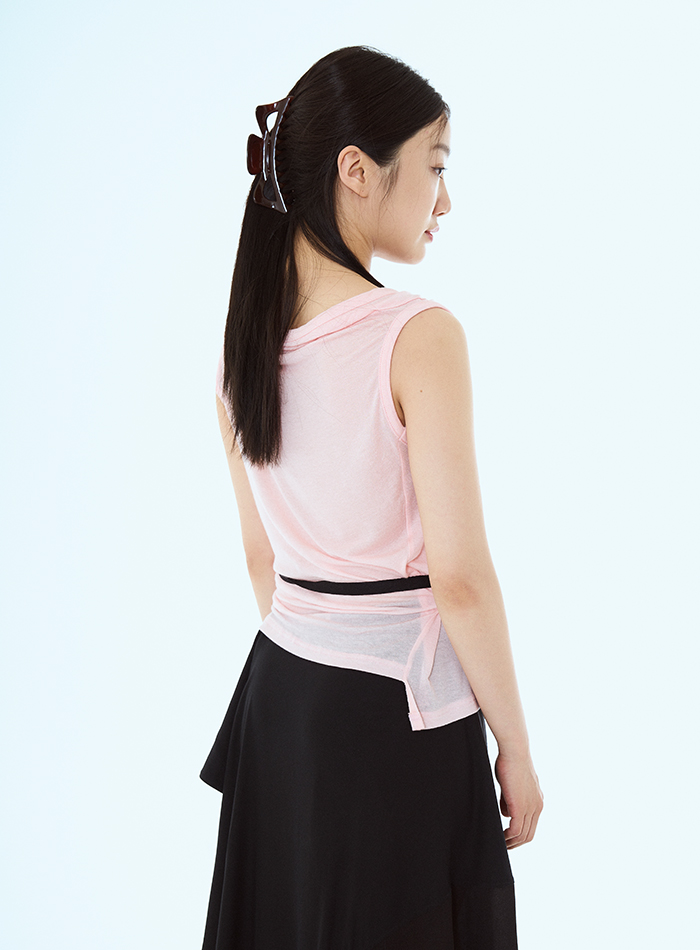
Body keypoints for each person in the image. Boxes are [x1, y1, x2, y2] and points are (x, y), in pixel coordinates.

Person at [200, 45, 544, 950]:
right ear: (357, 170)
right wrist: (515, 745)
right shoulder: (416, 334)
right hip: (398, 719)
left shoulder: (243, 348)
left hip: (280, 702)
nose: (445, 200)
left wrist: (318, 661)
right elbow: (461, 579)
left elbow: (263, 559)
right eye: (435, 166)